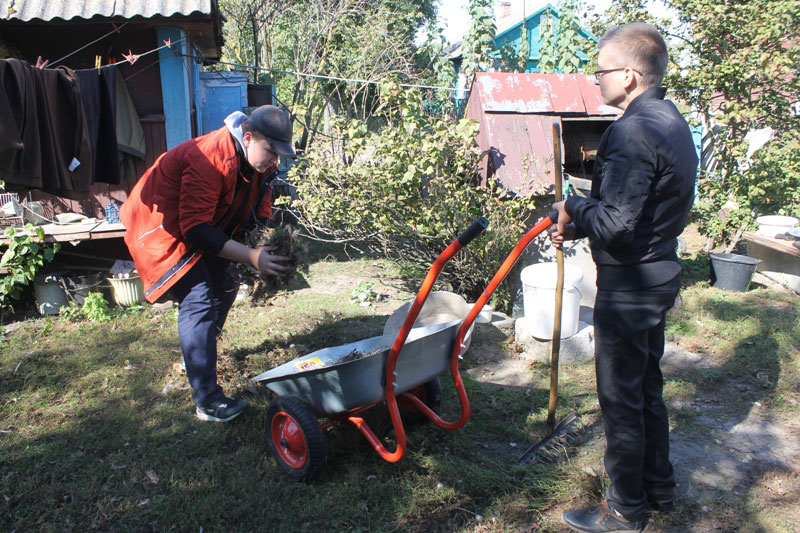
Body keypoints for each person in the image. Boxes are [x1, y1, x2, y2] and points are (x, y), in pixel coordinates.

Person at [549, 23, 697, 532]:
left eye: (600, 71)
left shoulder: (631, 130)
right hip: (657, 275)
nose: (595, 80)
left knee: (621, 400)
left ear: (630, 75)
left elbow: (614, 225)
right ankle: (659, 490)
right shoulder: (672, 121)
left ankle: (624, 511)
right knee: (646, 387)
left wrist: (573, 205)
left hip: (631, 287)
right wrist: (585, 212)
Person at [120, 105, 296, 423]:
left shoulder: (263, 163)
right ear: (248, 137)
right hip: (160, 227)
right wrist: (253, 257)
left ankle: (198, 355)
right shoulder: (212, 157)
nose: (274, 160)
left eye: (279, 154)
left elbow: (261, 204)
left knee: (226, 283)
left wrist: (263, 240)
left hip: (204, 224)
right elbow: (196, 230)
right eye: (271, 151)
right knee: (198, 299)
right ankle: (208, 401)